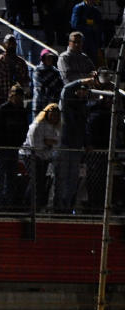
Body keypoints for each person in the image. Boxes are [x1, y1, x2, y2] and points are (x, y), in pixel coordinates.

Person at [0, 85, 30, 209]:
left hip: (13, 148)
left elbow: (24, 129)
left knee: (11, 176)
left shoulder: (21, 111)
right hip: (2, 148)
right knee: (0, 176)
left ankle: (9, 202)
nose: (18, 99)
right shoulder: (3, 110)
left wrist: (19, 142)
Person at [83, 68, 119, 212]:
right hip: (93, 137)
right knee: (93, 174)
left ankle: (102, 203)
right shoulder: (88, 88)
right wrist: (99, 103)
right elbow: (84, 108)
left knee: (105, 174)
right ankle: (93, 202)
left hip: (106, 137)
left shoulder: (111, 89)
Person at [55, 75, 91, 212]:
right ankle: (58, 208)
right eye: (80, 90)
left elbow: (84, 127)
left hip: (76, 147)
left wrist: (87, 143)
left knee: (73, 179)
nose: (82, 92)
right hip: (64, 145)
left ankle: (68, 207)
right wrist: (81, 80)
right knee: (62, 178)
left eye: (85, 90)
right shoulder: (66, 104)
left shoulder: (83, 107)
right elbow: (66, 89)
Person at [5, 0, 53, 65]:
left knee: (38, 59)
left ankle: (34, 79)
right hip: (24, 29)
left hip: (39, 28)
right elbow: (11, 3)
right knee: (22, 58)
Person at [21, 102, 61, 210]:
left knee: (40, 181)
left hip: (44, 157)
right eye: (52, 114)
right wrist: (47, 143)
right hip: (31, 154)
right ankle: (27, 203)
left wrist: (49, 144)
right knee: (35, 180)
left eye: (56, 115)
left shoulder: (55, 127)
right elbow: (36, 145)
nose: (54, 117)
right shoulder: (37, 125)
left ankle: (36, 204)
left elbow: (56, 143)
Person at [0, 34, 29, 107]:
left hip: (17, 100)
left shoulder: (21, 62)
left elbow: (26, 80)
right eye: (9, 43)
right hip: (2, 99)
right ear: (4, 45)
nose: (11, 46)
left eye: (13, 44)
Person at [70, 0, 104, 65]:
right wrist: (90, 27)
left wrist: (99, 46)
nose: (92, 0)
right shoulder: (78, 8)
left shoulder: (96, 12)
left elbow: (99, 29)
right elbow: (75, 24)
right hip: (80, 42)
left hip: (92, 44)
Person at [32, 49, 63, 114]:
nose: (50, 59)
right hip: (39, 104)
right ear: (43, 58)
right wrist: (55, 85)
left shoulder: (55, 71)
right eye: (47, 57)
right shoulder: (37, 70)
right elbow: (42, 87)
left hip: (52, 104)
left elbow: (60, 86)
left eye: (51, 57)